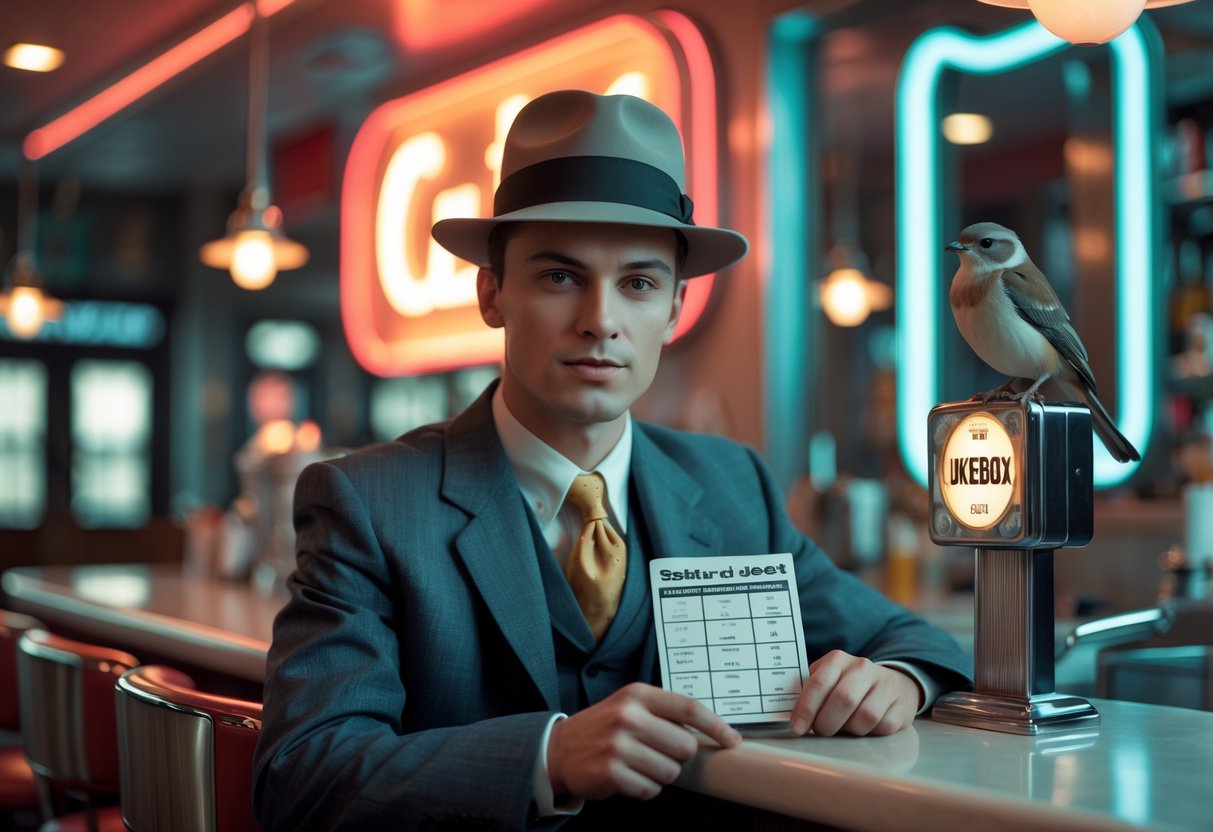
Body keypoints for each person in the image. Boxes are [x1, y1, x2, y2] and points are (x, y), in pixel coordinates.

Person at [253, 89, 972, 830]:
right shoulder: (368, 503)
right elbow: (303, 776)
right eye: (560, 277)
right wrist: (547, 757)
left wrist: (894, 679)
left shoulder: (731, 485)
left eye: (637, 283)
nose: (601, 321)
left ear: (672, 307)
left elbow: (915, 641)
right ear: (491, 292)